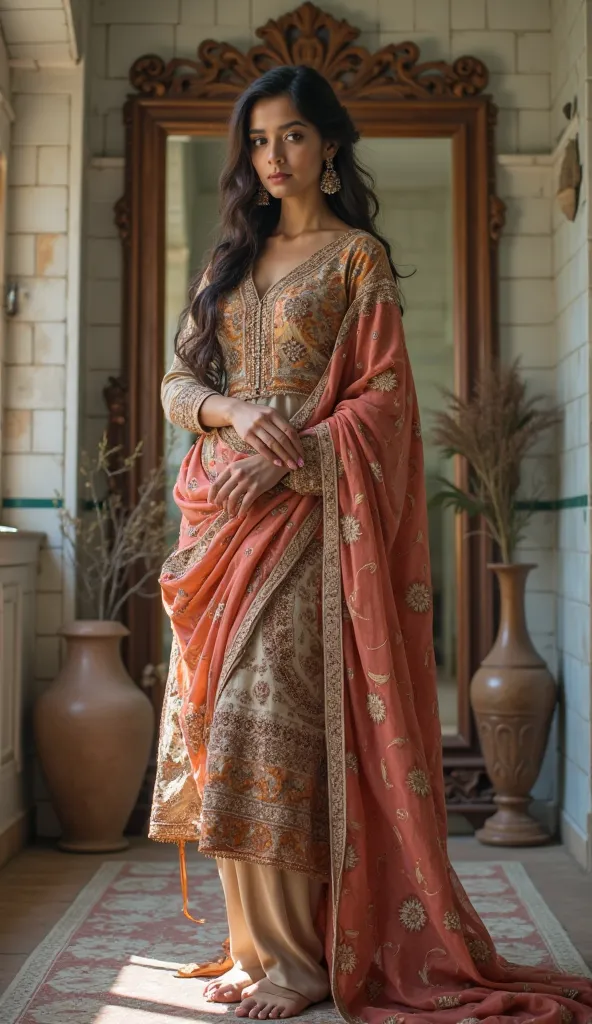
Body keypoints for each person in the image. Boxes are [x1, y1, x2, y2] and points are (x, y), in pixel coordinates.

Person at [149, 64, 592, 1023]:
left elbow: (385, 404)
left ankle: (306, 960)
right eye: (260, 141)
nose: (274, 158)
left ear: (331, 145)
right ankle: (256, 944)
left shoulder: (357, 261)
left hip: (311, 525)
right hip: (223, 522)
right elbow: (176, 387)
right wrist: (227, 411)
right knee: (219, 727)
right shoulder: (229, 260)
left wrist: (294, 453)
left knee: (269, 722)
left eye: (293, 137)